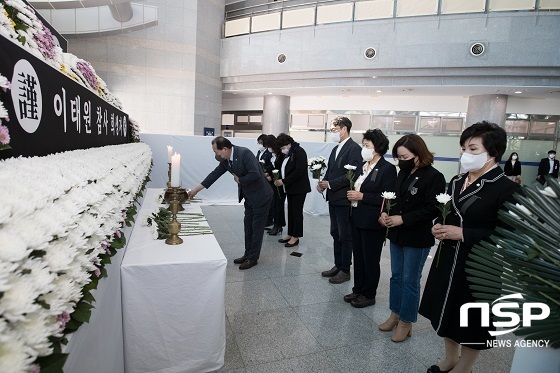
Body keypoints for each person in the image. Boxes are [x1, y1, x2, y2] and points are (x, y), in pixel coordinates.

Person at [419, 121, 522, 373]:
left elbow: (508, 234)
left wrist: (464, 233)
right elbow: (443, 213)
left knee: (471, 318)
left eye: (473, 149)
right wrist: (437, 225)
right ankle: (450, 358)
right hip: (448, 258)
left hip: (479, 265)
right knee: (447, 311)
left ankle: (465, 366)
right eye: (464, 148)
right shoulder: (456, 181)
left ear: (493, 153)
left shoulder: (506, 189)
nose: (466, 154)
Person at [379, 134, 446, 342]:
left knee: (410, 280)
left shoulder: (434, 176)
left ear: (418, 154)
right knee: (396, 276)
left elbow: (433, 208)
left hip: (417, 236)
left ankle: (406, 322)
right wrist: (386, 213)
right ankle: (395, 314)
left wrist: (403, 219)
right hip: (397, 234)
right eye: (398, 157)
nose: (401, 161)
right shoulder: (403, 173)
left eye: (404, 156)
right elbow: (395, 197)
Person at [189, 136, 272, 270]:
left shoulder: (244, 153)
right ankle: (247, 254)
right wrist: (196, 190)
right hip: (249, 196)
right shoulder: (226, 160)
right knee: (248, 226)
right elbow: (214, 175)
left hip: (261, 195)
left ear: (225, 149)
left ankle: (253, 258)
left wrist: (240, 180)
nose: (216, 155)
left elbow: (256, 174)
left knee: (256, 228)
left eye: (216, 151)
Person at [344, 129, 397, 308]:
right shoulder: (363, 166)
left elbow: (387, 198)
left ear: (378, 148)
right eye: (363, 145)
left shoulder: (387, 169)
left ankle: (369, 294)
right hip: (357, 217)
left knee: (370, 259)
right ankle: (358, 289)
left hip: (373, 221)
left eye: (367, 145)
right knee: (358, 256)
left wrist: (362, 197)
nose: (363, 148)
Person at [317, 116, 362, 284]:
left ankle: (345, 269)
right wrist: (323, 184)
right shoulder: (336, 149)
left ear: (344, 129)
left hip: (344, 198)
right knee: (335, 233)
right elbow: (331, 170)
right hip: (334, 197)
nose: (333, 133)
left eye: (334, 130)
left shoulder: (353, 148)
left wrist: (331, 184)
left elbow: (352, 175)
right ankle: (338, 264)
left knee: (345, 235)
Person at [273, 133, 311, 247]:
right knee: (291, 211)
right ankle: (291, 233)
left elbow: (298, 171)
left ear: (289, 144)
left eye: (283, 147)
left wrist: (284, 181)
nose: (282, 150)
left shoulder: (299, 152)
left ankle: (296, 236)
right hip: (290, 188)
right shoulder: (289, 153)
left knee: (297, 212)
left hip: (299, 188)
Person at [267, 139, 286, 236]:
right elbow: (273, 168)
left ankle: (278, 225)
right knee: (275, 204)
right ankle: (276, 224)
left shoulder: (282, 156)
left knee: (279, 205)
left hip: (280, 183)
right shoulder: (274, 156)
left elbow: (281, 169)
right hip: (275, 182)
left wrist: (275, 177)